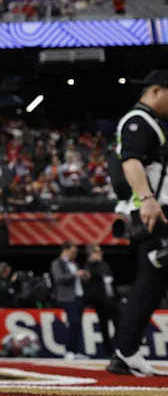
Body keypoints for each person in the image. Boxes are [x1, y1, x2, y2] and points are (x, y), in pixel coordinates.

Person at [107, 70, 168, 376]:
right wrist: (147, 199)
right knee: (150, 280)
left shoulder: (153, 123)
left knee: (152, 283)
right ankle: (125, 349)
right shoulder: (138, 121)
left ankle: (125, 350)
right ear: (156, 90)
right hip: (154, 211)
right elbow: (130, 160)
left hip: (157, 209)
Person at [51, 241, 89, 360]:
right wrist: (75, 274)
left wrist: (83, 276)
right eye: (73, 251)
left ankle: (75, 350)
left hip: (78, 296)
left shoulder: (75, 264)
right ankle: (68, 350)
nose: (75, 254)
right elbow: (59, 278)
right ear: (65, 249)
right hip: (67, 298)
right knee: (73, 322)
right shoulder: (57, 263)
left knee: (78, 325)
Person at [83, 244, 118, 357]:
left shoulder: (104, 264)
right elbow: (89, 280)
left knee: (119, 325)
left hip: (112, 299)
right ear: (91, 254)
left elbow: (111, 280)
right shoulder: (88, 266)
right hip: (100, 302)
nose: (101, 253)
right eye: (98, 252)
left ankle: (121, 349)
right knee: (104, 327)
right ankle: (109, 352)